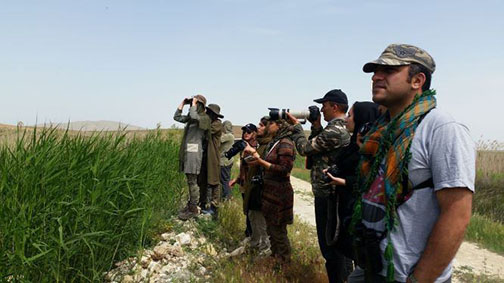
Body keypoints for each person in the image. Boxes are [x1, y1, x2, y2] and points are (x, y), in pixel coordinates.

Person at [348, 44, 475, 283]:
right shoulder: (381, 128)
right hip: (371, 265)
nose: (376, 77)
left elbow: (457, 213)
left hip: (405, 275)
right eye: (376, 71)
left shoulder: (442, 128)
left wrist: (420, 278)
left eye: (389, 70)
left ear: (417, 80)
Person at [287, 89, 352, 283]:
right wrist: (316, 126)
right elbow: (318, 148)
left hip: (330, 196)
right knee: (334, 246)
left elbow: (306, 149)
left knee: (332, 248)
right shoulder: (334, 129)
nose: (321, 109)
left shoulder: (335, 130)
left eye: (324, 105)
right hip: (329, 194)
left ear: (335, 106)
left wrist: (297, 128)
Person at [323, 102, 380, 261]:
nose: (346, 119)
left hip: (359, 211)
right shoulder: (353, 143)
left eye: (350, 115)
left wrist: (344, 182)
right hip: (343, 206)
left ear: (362, 119)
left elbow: (372, 179)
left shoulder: (372, 148)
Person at [243, 119, 295, 262]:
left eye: (270, 123)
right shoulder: (275, 142)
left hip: (279, 194)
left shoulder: (285, 143)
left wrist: (260, 162)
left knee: (279, 232)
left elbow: (284, 169)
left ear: (279, 125)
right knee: (272, 230)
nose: (267, 126)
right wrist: (256, 160)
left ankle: (284, 263)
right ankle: (275, 258)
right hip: (270, 193)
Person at [174, 95, 211, 221]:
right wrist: (183, 103)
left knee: (193, 180)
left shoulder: (205, 118)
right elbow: (177, 117)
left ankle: (194, 207)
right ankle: (191, 204)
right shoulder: (191, 118)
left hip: (194, 154)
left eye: (195, 104)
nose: (192, 106)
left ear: (200, 106)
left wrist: (194, 103)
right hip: (188, 153)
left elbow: (195, 116)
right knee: (190, 180)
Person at [245, 117, 272, 255]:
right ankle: (255, 244)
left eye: (262, 125)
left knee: (261, 223)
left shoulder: (270, 145)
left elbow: (268, 165)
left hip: (263, 190)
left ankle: (264, 250)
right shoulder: (262, 144)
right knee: (253, 217)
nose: (258, 127)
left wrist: (254, 155)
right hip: (254, 188)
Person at [230, 123, 258, 239]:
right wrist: (236, 180)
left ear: (254, 134)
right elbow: (243, 168)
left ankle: (251, 235)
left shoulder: (255, 148)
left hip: (252, 184)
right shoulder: (243, 147)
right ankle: (249, 234)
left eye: (249, 132)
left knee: (252, 211)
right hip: (243, 184)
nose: (245, 134)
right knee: (247, 210)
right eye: (244, 131)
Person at [201, 104, 224, 216]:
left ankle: (214, 207)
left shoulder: (217, 124)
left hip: (213, 157)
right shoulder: (210, 122)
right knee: (204, 180)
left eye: (209, 112)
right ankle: (203, 202)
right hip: (205, 156)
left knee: (214, 182)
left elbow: (206, 130)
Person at [219, 120, 235, 201]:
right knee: (225, 179)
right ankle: (227, 196)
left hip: (224, 161)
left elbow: (218, 140)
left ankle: (226, 197)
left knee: (225, 180)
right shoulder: (231, 135)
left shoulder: (228, 136)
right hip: (227, 161)